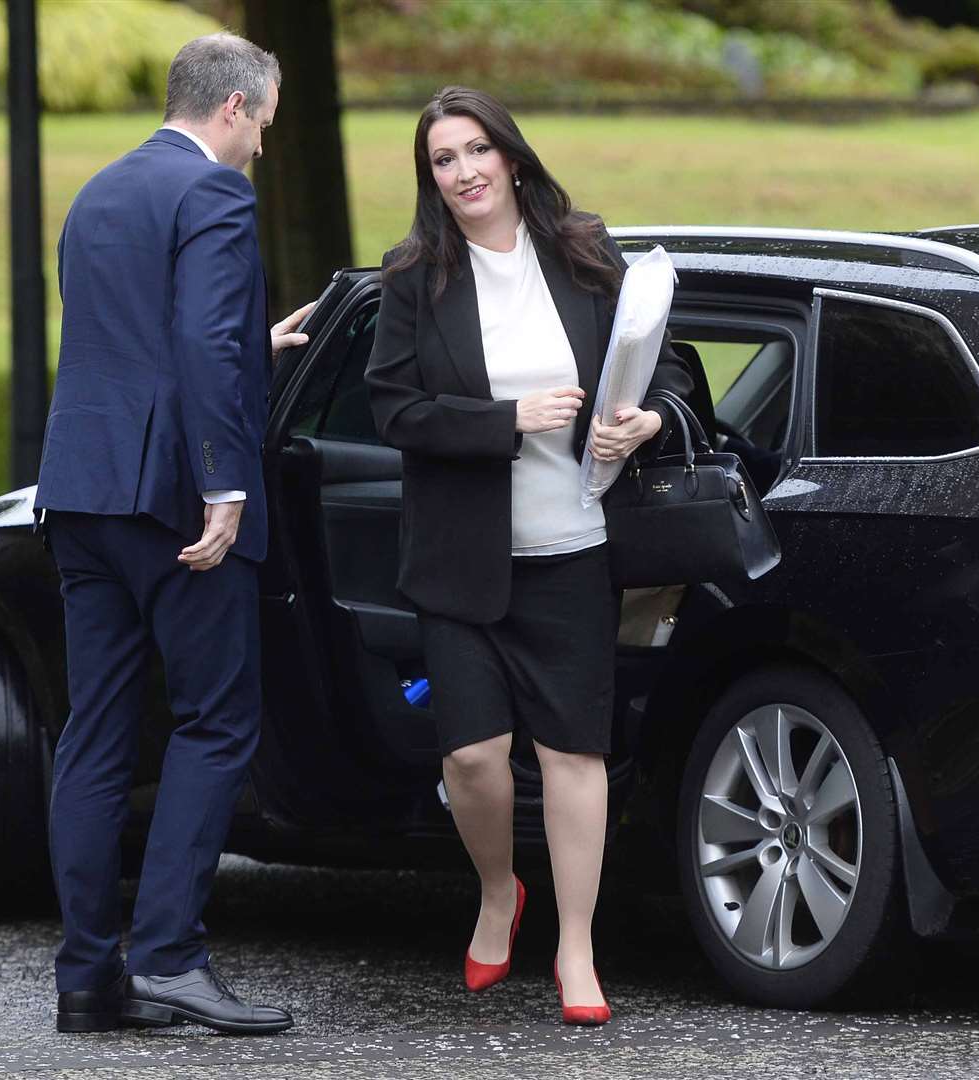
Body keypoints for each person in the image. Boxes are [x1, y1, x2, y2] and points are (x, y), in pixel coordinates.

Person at [365, 86, 693, 1026]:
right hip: (461, 561)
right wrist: (505, 420)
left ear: (510, 157)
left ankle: (576, 948)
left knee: (571, 756)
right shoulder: (413, 277)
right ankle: (500, 889)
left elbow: (667, 365)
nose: (463, 172)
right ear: (429, 176)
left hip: (573, 548)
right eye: (442, 159)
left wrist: (646, 419)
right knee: (472, 756)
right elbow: (394, 411)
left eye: (476, 151)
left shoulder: (584, 252)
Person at [34, 32, 311, 1036]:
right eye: (265, 127)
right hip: (174, 505)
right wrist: (224, 484)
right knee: (215, 721)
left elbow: (133, 341)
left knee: (96, 732)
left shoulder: (100, 192)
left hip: (81, 492)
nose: (264, 153)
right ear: (233, 108)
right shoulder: (215, 195)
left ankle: (85, 980)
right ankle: (167, 960)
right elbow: (193, 343)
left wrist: (256, 344)